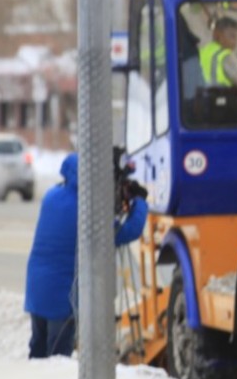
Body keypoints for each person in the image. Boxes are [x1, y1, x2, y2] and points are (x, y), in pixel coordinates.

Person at [24, 153, 149, 359]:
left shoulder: (52, 196)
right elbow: (127, 232)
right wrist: (140, 202)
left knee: (38, 351)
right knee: (57, 358)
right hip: (62, 297)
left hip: (37, 288)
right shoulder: (87, 211)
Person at [192, 11, 237, 122]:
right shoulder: (225, 57)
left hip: (201, 115)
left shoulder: (201, 52)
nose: (235, 42)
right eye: (231, 36)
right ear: (217, 35)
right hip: (222, 115)